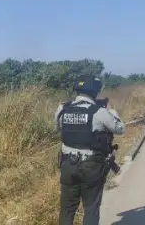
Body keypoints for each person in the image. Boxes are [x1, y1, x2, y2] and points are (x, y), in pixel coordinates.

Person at [54, 74, 126, 225]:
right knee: (91, 208)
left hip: (67, 165)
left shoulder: (63, 108)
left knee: (67, 209)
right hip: (91, 166)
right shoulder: (99, 112)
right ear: (95, 92)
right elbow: (120, 129)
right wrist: (112, 111)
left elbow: (58, 128)